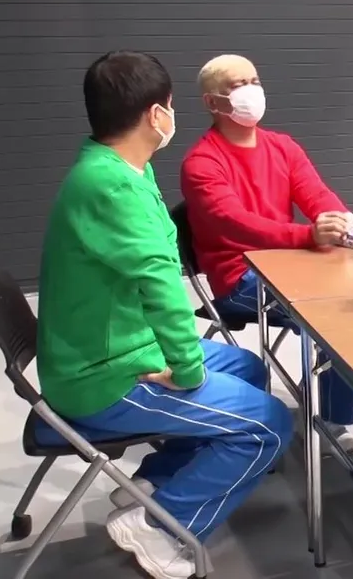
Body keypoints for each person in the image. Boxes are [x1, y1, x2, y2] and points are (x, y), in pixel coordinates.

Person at [36, 51, 292, 579]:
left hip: (120, 344)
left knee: (248, 368)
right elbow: (161, 285)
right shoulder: (112, 186)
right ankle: (161, 527)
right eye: (171, 107)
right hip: (106, 375)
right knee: (269, 425)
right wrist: (188, 370)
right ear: (156, 114)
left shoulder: (120, 168)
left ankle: (156, 481)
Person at [180, 54, 353, 453]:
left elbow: (315, 193)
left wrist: (341, 222)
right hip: (238, 277)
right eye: (237, 86)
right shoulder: (201, 163)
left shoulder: (282, 146)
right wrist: (308, 235)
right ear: (212, 102)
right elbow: (237, 224)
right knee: (325, 314)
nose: (251, 91)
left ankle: (330, 395)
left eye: (254, 80)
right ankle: (326, 418)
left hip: (289, 263)